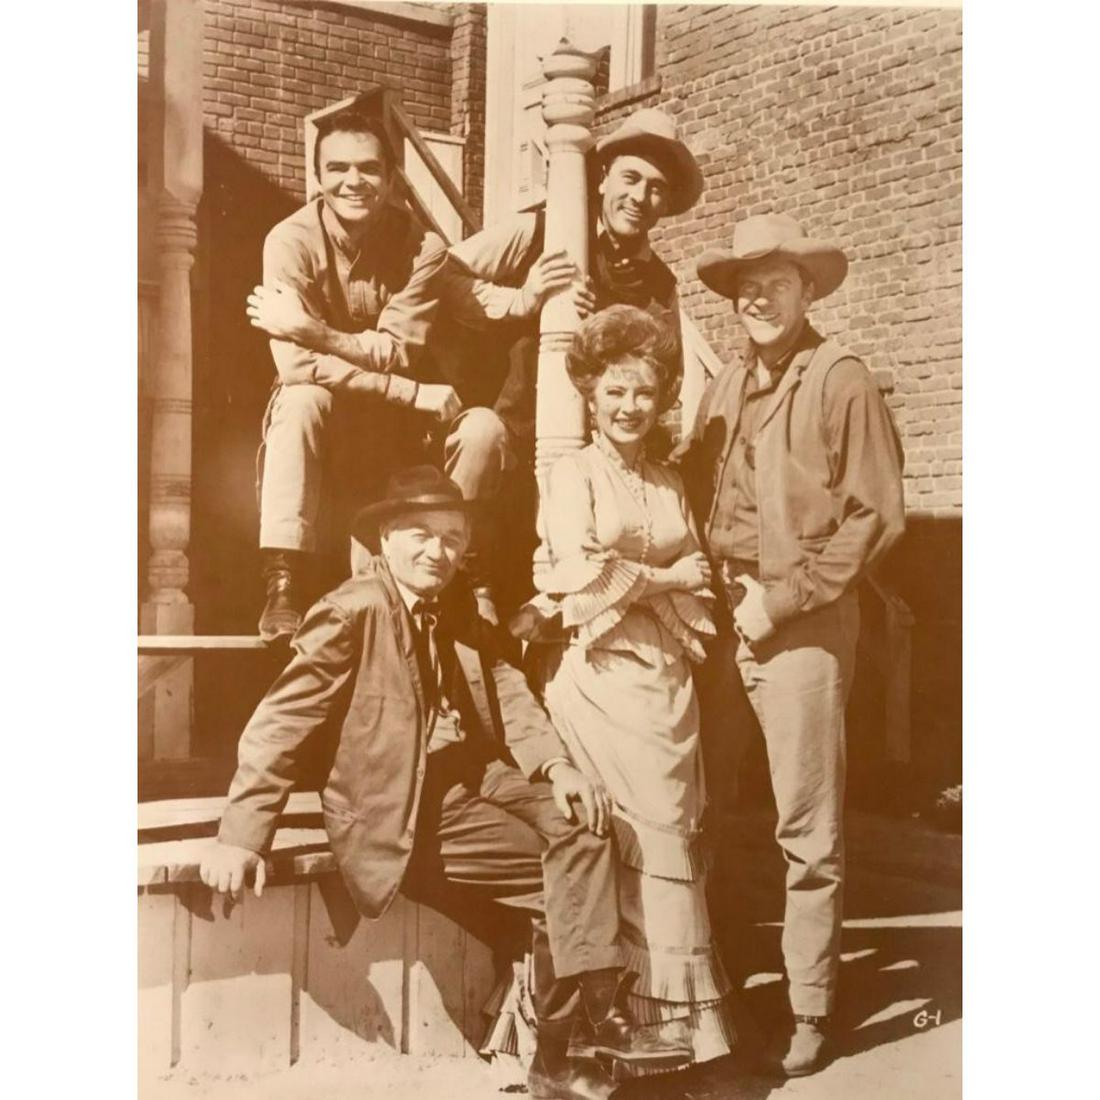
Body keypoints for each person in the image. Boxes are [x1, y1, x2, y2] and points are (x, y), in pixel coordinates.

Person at [199, 464, 692, 1099]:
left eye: (454, 538)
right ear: (383, 539)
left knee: (587, 829)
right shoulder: (351, 611)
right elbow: (280, 723)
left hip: (476, 779)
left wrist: (556, 765)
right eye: (421, 535)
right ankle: (564, 1054)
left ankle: (593, 1028)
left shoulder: (452, 604)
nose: (440, 551)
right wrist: (241, 836)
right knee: (565, 883)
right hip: (402, 805)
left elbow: (508, 691)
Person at [679, 213, 906, 1076]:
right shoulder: (729, 381)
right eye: (746, 285)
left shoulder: (840, 379)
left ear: (808, 290)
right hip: (716, 611)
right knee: (703, 805)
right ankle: (719, 986)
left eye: (776, 281)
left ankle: (810, 1006)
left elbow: (874, 516)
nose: (758, 297)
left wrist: (783, 601)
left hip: (800, 620)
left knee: (804, 825)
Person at [514, 305, 736, 1067]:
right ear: (589, 394)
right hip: (599, 673)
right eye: (614, 391)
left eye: (643, 392)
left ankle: (681, 1024)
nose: (629, 406)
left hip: (666, 676)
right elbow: (573, 576)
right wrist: (660, 577)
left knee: (675, 837)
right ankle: (619, 1024)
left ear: (662, 396)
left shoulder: (669, 479)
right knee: (623, 840)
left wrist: (665, 582)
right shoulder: (568, 474)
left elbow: (698, 572)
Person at [247, 103, 500, 642]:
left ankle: (463, 567)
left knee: (483, 429)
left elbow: (395, 348)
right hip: (335, 417)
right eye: (337, 168)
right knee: (300, 400)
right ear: (317, 177)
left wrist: (313, 331)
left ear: (390, 180)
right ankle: (282, 581)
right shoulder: (288, 242)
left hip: (397, 429)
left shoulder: (422, 246)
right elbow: (294, 367)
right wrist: (407, 390)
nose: (353, 181)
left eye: (368, 168)